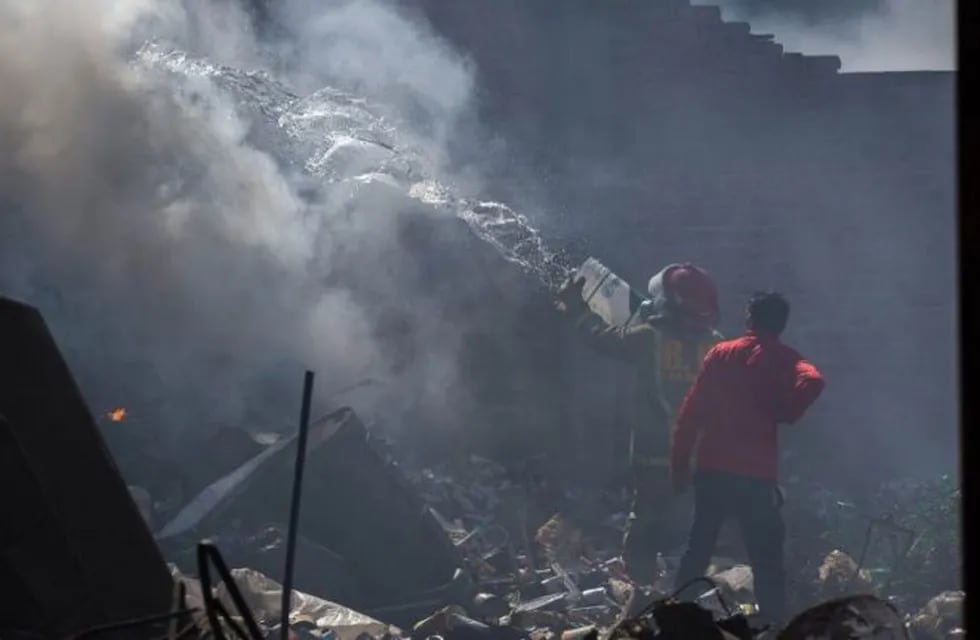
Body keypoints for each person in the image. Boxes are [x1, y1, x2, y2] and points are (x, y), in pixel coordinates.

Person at [555, 263, 724, 583]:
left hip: (655, 455)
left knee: (645, 524)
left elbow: (602, 338)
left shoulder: (648, 338)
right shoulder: (716, 344)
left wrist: (577, 306)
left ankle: (641, 591)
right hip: (700, 459)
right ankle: (689, 591)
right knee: (691, 529)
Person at [670, 291, 825, 624]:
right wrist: (787, 410)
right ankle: (774, 625)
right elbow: (813, 380)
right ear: (781, 325)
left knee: (697, 549)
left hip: (712, 471)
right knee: (765, 557)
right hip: (755, 478)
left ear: (749, 319)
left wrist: (680, 466)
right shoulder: (785, 358)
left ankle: (674, 621)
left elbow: (690, 415)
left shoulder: (720, 354)